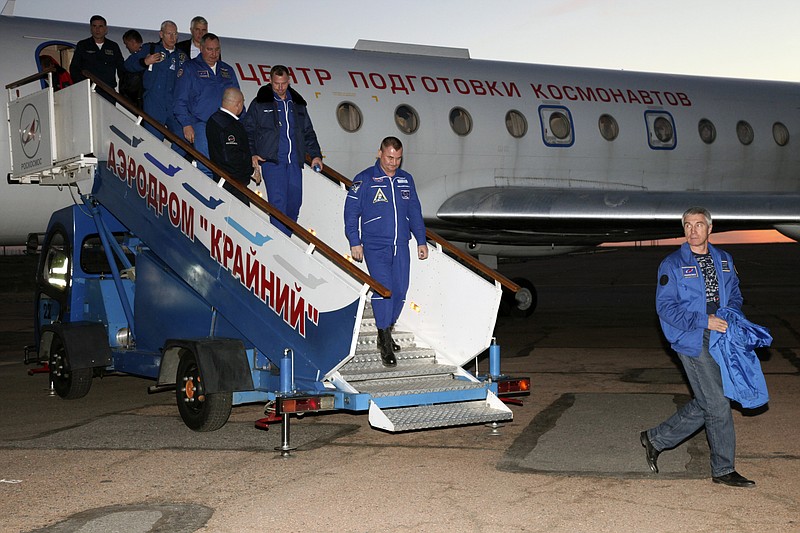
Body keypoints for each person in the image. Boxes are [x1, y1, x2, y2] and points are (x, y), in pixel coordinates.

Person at [641, 207, 755, 488]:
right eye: (688, 226)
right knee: (717, 403)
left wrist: (730, 315)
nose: (693, 231)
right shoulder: (673, 264)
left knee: (711, 400)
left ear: (709, 228)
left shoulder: (725, 260)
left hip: (721, 336)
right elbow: (665, 308)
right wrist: (705, 320)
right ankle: (723, 469)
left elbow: (736, 293)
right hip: (691, 338)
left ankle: (655, 438)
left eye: (699, 225)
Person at [343, 137, 428, 367]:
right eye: (390, 157)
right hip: (375, 245)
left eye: (398, 159)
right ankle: (384, 341)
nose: (394, 163)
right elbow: (351, 212)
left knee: (400, 290)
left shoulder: (405, 180)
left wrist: (421, 240)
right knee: (384, 289)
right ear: (379, 153)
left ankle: (386, 330)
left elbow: (415, 211)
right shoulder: (364, 179)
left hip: (400, 244)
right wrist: (355, 240)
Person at [242, 64, 323, 236]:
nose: (280, 87)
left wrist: (316, 155)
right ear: (270, 81)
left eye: (283, 83)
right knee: (278, 205)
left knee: (295, 203)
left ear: (289, 81)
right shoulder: (259, 103)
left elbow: (308, 132)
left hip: (294, 162)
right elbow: (248, 130)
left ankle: (283, 239)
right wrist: (252, 153)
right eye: (276, 83)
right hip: (272, 162)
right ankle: (279, 243)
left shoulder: (298, 105)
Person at [173, 33, 239, 178]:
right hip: (201, 125)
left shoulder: (227, 70)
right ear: (201, 48)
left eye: (217, 49)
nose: (214, 53)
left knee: (225, 168)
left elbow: (238, 99)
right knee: (206, 166)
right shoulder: (189, 68)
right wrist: (186, 124)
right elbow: (179, 100)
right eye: (209, 49)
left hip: (224, 128)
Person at [124, 21, 188, 147]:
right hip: (154, 103)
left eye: (175, 34)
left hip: (173, 104)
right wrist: (144, 62)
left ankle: (171, 163)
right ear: (161, 34)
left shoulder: (182, 56)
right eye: (169, 34)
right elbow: (127, 65)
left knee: (183, 139)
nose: (172, 37)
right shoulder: (150, 49)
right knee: (154, 141)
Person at [206, 88, 261, 205]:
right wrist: (251, 171)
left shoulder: (213, 120)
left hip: (224, 179)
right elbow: (232, 157)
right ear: (239, 104)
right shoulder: (230, 126)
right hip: (233, 183)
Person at [69, 15, 124, 103]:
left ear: (106, 29)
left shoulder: (113, 46)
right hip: (89, 91)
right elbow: (74, 68)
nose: (97, 29)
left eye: (100, 26)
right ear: (91, 29)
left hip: (108, 92)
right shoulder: (83, 45)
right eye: (94, 26)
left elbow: (121, 69)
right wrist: (83, 86)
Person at [120, 29, 145, 109]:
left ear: (133, 42)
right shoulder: (151, 53)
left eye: (126, 44)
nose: (126, 47)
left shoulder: (133, 59)